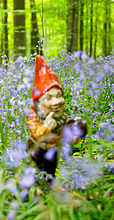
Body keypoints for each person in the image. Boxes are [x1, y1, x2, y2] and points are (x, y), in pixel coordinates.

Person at [26, 55, 87, 185]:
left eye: (59, 96)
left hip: (54, 148)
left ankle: (50, 185)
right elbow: (35, 133)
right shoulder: (33, 115)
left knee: (51, 168)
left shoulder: (61, 116)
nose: (56, 102)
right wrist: (46, 127)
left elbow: (64, 130)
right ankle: (32, 187)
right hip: (37, 148)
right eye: (49, 98)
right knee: (33, 167)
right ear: (38, 102)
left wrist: (74, 133)